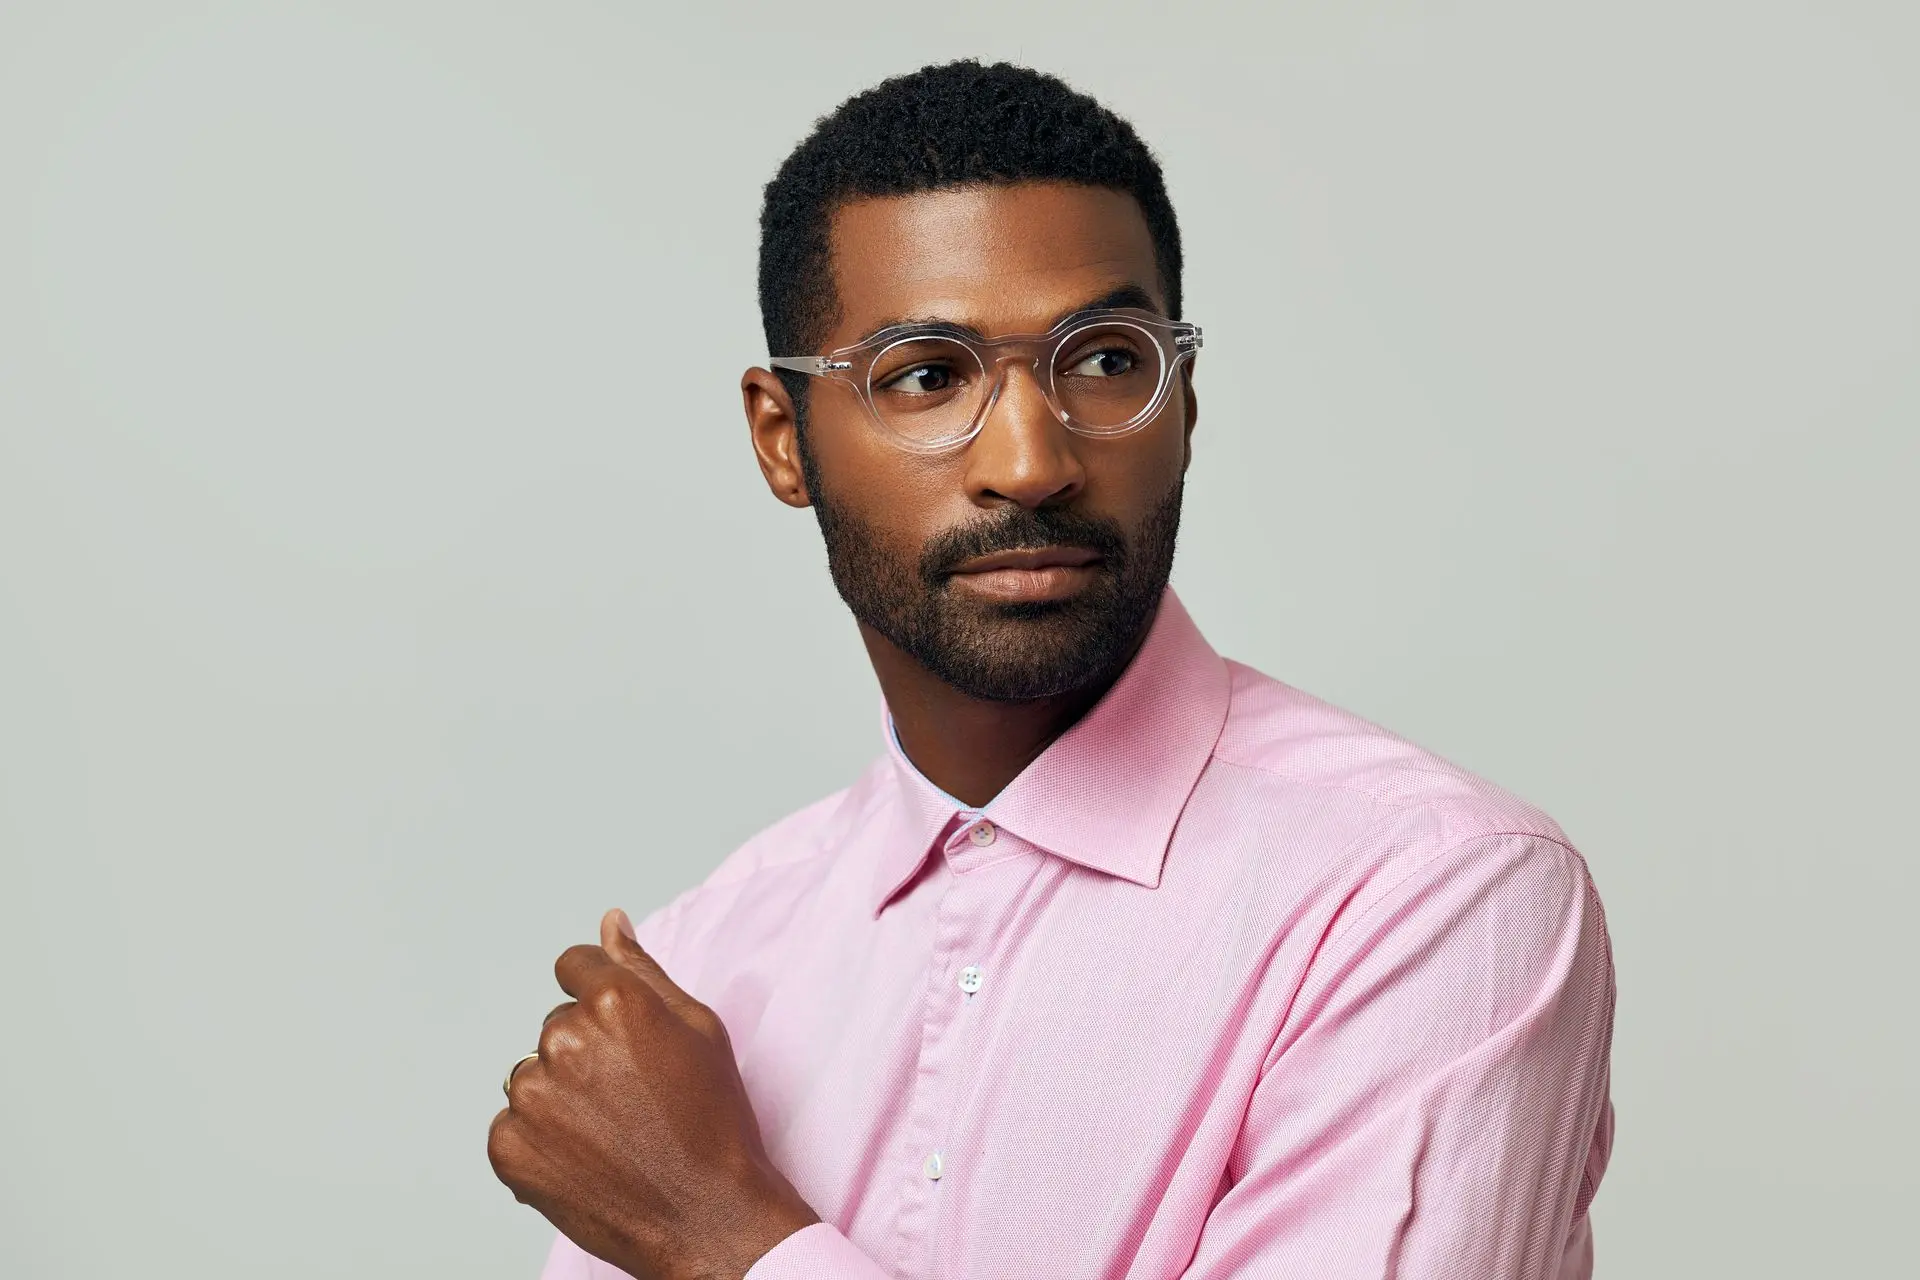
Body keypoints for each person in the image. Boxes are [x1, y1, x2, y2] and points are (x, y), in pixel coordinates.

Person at [486, 59, 1616, 1280]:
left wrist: (719, 1231)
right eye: (927, 376)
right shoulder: (705, 963)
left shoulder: (1431, 894)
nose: (1032, 462)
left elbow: (706, 1226)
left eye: (1106, 360)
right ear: (782, 439)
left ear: (1185, 404)